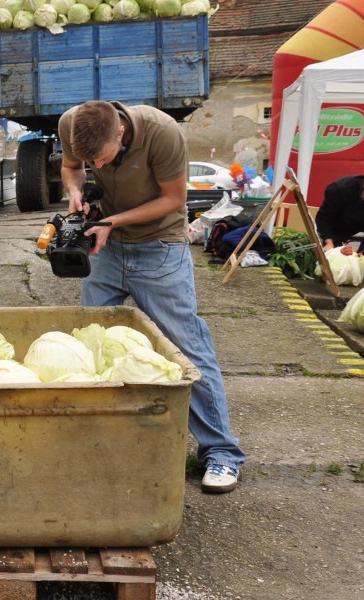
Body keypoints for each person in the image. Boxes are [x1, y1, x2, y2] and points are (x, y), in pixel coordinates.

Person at [59, 100, 246, 494]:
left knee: (186, 345)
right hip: (104, 248)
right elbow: (71, 167)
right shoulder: (71, 125)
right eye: (92, 160)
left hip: (159, 247)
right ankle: (95, 439)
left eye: (103, 157)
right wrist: (76, 193)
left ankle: (221, 453)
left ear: (121, 133)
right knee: (88, 343)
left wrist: (112, 220)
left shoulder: (163, 132)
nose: (100, 166)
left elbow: (174, 200)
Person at [315, 168, 364, 283]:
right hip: (341, 223)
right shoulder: (339, 190)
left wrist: (361, 257)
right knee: (335, 259)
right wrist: (328, 241)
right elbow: (324, 219)